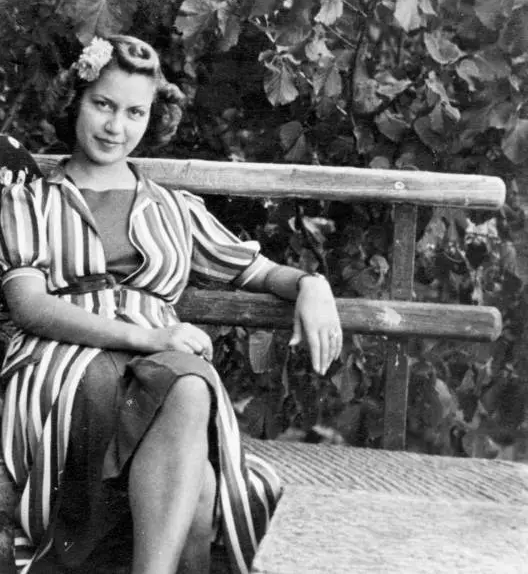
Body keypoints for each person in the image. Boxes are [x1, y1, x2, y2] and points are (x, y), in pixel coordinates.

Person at [0, 35, 343, 574]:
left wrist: (311, 284)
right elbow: (29, 305)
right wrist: (149, 337)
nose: (116, 127)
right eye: (103, 105)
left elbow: (256, 270)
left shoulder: (172, 208)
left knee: (190, 414)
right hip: (62, 365)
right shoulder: (32, 200)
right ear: (77, 101)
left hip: (160, 368)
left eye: (135, 112)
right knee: (194, 443)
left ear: (151, 117)